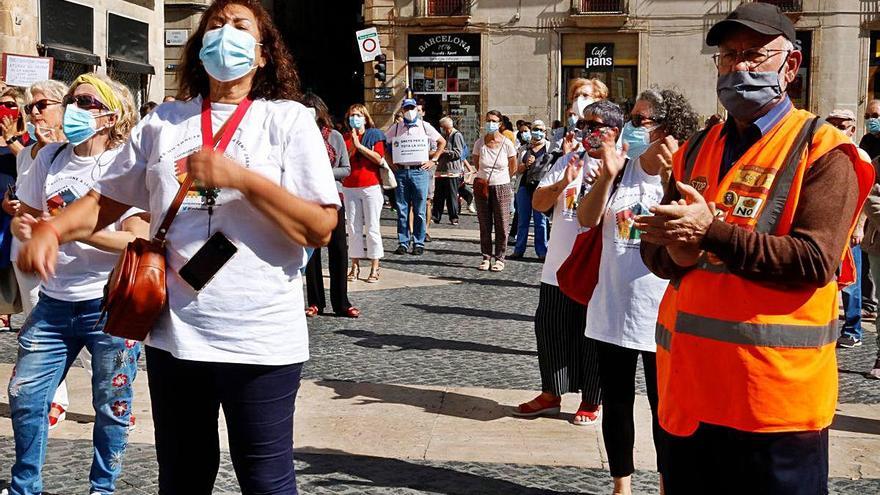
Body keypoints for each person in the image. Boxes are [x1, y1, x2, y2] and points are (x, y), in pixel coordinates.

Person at [17, 1, 341, 492]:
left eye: (239, 27)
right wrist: (52, 229)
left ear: (262, 55)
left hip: (260, 339)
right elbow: (104, 199)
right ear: (198, 47)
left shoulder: (287, 121)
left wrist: (242, 179)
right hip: (177, 337)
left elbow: (320, 227)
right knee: (183, 477)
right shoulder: (164, 121)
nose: (224, 35)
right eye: (214, 26)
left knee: (266, 479)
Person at [637, 5, 873, 493]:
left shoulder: (824, 151)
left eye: (755, 55)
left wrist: (711, 234)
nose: (739, 67)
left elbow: (815, 260)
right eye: (728, 56)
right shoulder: (695, 148)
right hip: (690, 393)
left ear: (790, 65)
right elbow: (659, 253)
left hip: (774, 402)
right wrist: (672, 255)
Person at [7, 72, 147, 495]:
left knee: (112, 408)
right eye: (72, 100)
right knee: (25, 396)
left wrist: (73, 227)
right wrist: (26, 228)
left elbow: (136, 240)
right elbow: (24, 218)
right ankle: (24, 486)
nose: (74, 109)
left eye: (87, 102)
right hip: (53, 303)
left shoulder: (125, 166)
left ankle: (101, 489)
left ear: (112, 114)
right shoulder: (48, 159)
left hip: (109, 304)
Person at [581, 92, 698, 495]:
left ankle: (668, 483)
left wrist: (670, 180)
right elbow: (587, 218)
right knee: (617, 404)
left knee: (665, 410)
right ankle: (622, 485)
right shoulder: (621, 168)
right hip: (613, 309)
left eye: (641, 118)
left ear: (667, 128)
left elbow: (689, 238)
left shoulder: (686, 175)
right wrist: (607, 176)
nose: (632, 124)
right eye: (632, 116)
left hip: (663, 314)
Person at [514, 114, 605, 426]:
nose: (587, 132)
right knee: (551, 329)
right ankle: (551, 393)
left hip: (597, 270)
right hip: (557, 267)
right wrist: (564, 182)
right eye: (583, 126)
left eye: (595, 127)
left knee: (592, 334)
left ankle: (592, 398)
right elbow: (539, 202)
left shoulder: (621, 166)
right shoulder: (567, 160)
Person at [3, 79, 70, 429]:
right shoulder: (29, 153)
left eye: (42, 105)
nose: (35, 113)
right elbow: (23, 200)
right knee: (39, 327)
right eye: (30, 108)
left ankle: (111, 399)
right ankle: (56, 398)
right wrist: (10, 205)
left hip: (69, 255)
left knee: (87, 334)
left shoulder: (80, 150)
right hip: (28, 251)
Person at [302, 93, 360, 318]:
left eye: (311, 108)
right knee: (312, 251)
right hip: (307, 199)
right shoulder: (298, 137)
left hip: (333, 197)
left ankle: (342, 302)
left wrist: (323, 172)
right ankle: (315, 301)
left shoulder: (334, 136)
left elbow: (346, 169)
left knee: (338, 249)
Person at [826, 108, 867, 348]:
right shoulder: (828, 150)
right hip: (830, 226)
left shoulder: (859, 155)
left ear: (852, 128)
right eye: (832, 124)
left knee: (851, 283)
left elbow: (865, 194)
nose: (836, 129)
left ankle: (854, 330)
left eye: (841, 125)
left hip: (850, 228)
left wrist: (859, 227)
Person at [385, 98, 445, 255]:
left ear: (417, 109)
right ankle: (403, 242)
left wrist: (434, 160)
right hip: (402, 172)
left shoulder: (425, 127)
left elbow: (442, 142)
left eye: (412, 108)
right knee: (402, 209)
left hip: (420, 171)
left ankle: (418, 242)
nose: (410, 111)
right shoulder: (397, 128)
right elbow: (384, 143)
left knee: (419, 209)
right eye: (407, 108)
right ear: (403, 111)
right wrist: (390, 162)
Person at [342, 103, 385, 285]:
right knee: (352, 227)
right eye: (352, 115)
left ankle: (375, 266)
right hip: (350, 186)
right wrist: (353, 143)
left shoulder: (375, 135)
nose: (355, 118)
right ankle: (355, 265)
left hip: (370, 185)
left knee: (372, 227)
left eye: (358, 115)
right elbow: (344, 159)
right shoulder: (345, 137)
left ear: (365, 118)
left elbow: (379, 158)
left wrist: (360, 146)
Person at [472, 110, 517, 272]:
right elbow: (477, 163)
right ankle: (486, 256)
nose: (490, 123)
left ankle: (500, 258)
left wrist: (502, 178)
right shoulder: (479, 143)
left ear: (499, 124)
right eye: (488, 120)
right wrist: (485, 178)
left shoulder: (507, 144)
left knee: (502, 224)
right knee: (484, 224)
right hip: (483, 186)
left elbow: (513, 166)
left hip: (502, 186)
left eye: (493, 120)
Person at [509, 119, 551, 260]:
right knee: (522, 219)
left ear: (545, 132)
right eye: (535, 129)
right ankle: (519, 249)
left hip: (542, 188)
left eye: (540, 129)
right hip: (524, 187)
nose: (537, 132)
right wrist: (526, 164)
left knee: (541, 221)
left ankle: (542, 251)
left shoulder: (550, 147)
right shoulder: (523, 149)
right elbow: (516, 169)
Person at [433, 116, 465, 225]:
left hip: (452, 171)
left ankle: (454, 217)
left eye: (443, 127)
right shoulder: (443, 136)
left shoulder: (457, 135)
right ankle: (436, 216)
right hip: (441, 170)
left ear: (447, 127)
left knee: (451, 196)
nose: (442, 129)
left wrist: (444, 152)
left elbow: (458, 153)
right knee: (438, 195)